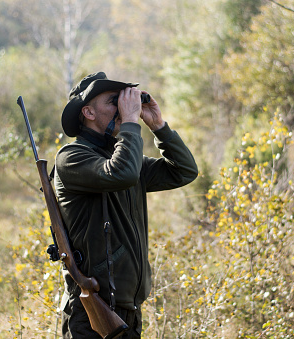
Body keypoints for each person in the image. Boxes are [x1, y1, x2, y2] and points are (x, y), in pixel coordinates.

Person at [54, 71, 198, 338]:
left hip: (128, 311)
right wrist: (131, 120)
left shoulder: (126, 161)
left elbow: (185, 171)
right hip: (92, 313)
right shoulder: (71, 157)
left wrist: (158, 126)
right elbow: (121, 173)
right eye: (113, 102)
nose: (122, 108)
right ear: (88, 112)